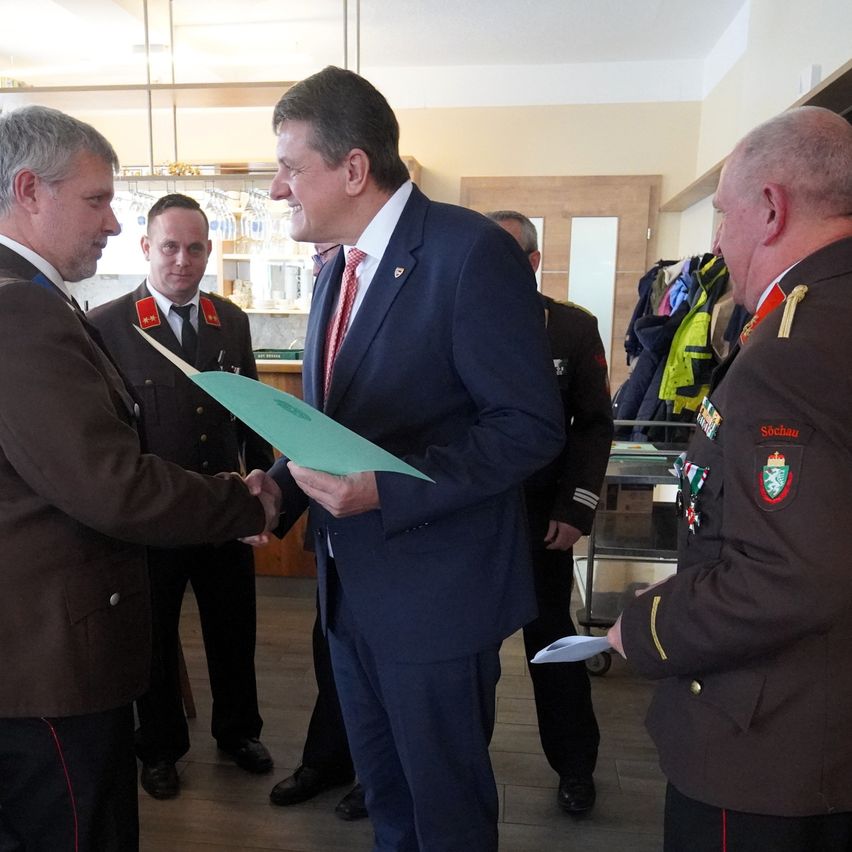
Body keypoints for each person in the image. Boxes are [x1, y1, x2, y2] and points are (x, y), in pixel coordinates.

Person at [262, 66, 564, 850]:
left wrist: (387, 493)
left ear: (353, 168)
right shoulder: (336, 268)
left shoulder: (470, 254)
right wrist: (273, 491)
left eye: (291, 168)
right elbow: (333, 420)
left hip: (436, 600)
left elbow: (528, 426)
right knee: (389, 802)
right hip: (348, 592)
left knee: (447, 812)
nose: (275, 189)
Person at [0, 105, 278, 851]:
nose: (113, 224)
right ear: (29, 191)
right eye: (96, 200)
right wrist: (245, 500)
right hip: (49, 659)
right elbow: (110, 483)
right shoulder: (20, 310)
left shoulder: (32, 300)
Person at [607, 105, 852, 852]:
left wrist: (644, 629)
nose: (716, 241)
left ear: (771, 208)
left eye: (722, 214)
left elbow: (789, 574)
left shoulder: (792, 349)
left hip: (769, 749)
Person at [88, 193, 275, 800]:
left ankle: (239, 731)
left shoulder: (231, 321)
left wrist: (265, 489)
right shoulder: (108, 326)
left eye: (195, 247)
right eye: (169, 246)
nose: (182, 260)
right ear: (146, 248)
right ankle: (161, 748)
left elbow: (251, 416)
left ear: (209, 251)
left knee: (232, 627)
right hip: (154, 517)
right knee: (155, 637)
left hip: (224, 511)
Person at [486, 210, 613, 816]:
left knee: (552, 647)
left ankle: (576, 767)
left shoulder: (569, 329)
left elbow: (592, 427)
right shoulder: (455, 320)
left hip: (543, 522)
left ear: (533, 263)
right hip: (474, 524)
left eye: (506, 255)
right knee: (470, 656)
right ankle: (459, 766)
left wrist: (576, 507)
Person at [268, 239, 367, 822]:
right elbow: (319, 428)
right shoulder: (331, 300)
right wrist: (274, 499)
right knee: (331, 653)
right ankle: (329, 761)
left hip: (394, 529)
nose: (320, 267)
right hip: (332, 534)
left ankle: (374, 777)